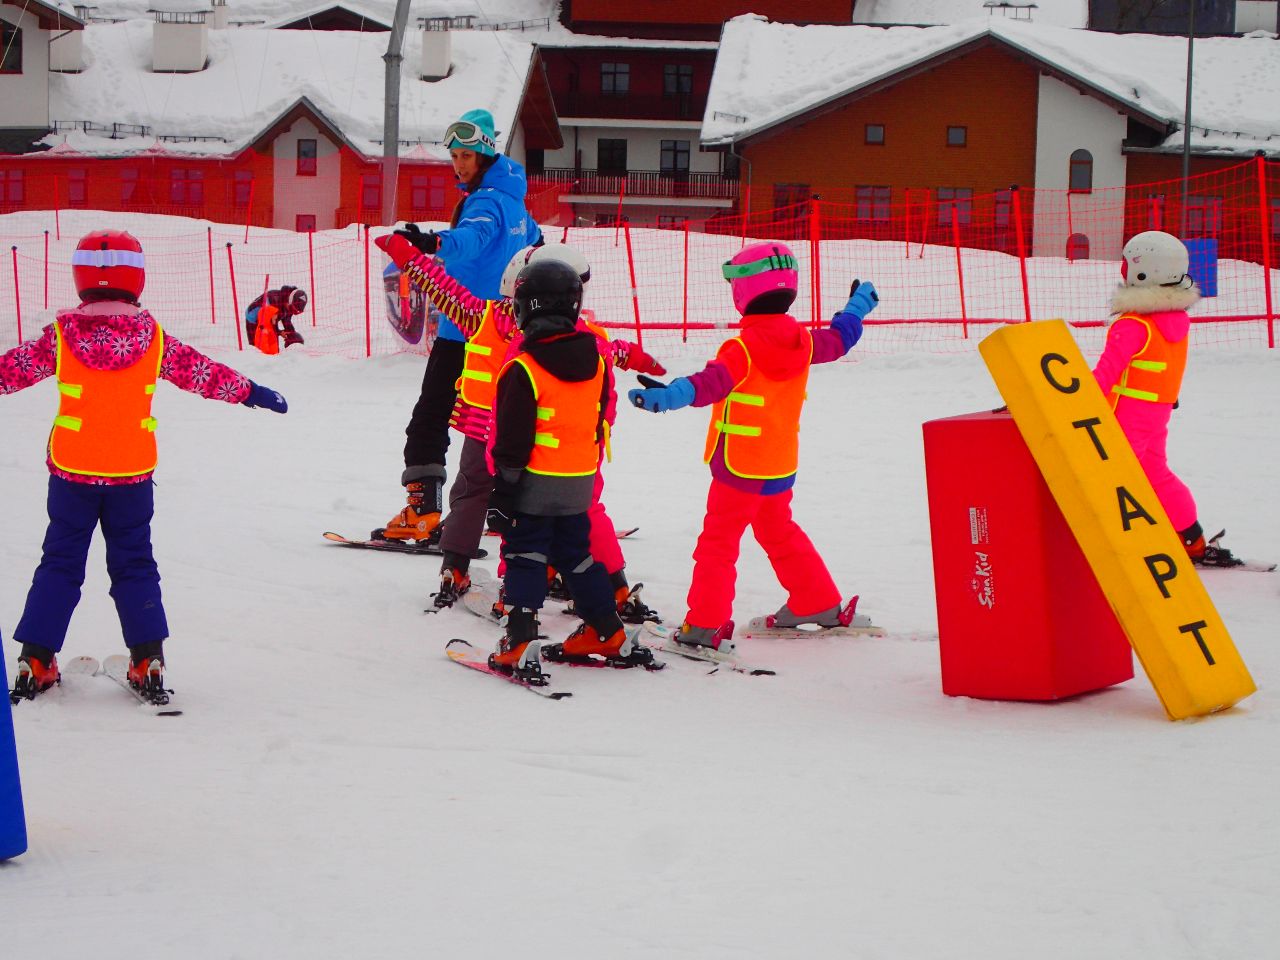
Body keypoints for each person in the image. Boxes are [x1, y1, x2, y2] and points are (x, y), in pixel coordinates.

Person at [1, 230, 289, 702]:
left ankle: (35, 658)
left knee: (59, 562)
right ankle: (146, 657)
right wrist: (251, 392)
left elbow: (10, 371)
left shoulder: (59, 337)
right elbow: (202, 373)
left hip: (72, 472)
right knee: (134, 563)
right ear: (137, 278)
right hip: (131, 474)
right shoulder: (152, 339)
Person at [373, 232, 666, 616]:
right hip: (557, 444)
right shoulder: (582, 336)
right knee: (574, 509)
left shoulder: (483, 316)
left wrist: (408, 257)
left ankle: (457, 570)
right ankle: (610, 585)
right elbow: (618, 351)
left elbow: (442, 288)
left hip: (486, 436)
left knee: (476, 495)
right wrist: (643, 361)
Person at [628, 241, 879, 652]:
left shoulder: (742, 348)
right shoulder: (803, 340)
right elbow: (840, 339)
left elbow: (710, 383)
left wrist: (668, 396)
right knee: (777, 529)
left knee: (718, 543)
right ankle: (817, 601)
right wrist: (856, 307)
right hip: (779, 464)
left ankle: (704, 626)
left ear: (744, 293)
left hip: (740, 467)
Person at [374, 108, 541, 544]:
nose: (459, 164)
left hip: (463, 332)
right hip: (507, 335)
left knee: (431, 418)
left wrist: (432, 243)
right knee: (504, 425)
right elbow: (537, 243)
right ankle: (527, 509)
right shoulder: (515, 202)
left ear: (486, 153)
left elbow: (473, 238)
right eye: (455, 155)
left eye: (467, 155)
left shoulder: (483, 202)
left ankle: (423, 511)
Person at [486, 260, 657, 684]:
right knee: (576, 556)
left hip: (534, 484)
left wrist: (502, 498)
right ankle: (607, 630)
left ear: (527, 307)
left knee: (524, 553)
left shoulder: (523, 368)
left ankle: (520, 641)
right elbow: (598, 418)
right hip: (579, 482)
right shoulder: (596, 361)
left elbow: (511, 444)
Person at [1091, 230, 1237, 566]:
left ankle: (1114, 547)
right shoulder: (1175, 320)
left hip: (1125, 416)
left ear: (1144, 272)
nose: (1123, 270)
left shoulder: (1133, 325)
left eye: (1126, 264)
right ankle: (1192, 539)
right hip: (1156, 414)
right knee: (1156, 472)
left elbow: (1103, 378)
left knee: (1114, 478)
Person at [245, 285, 307, 354]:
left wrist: (293, 336)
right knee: (258, 349)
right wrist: (279, 332)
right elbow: (270, 325)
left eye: (295, 312)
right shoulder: (274, 301)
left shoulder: (289, 305)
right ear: (289, 300)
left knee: (273, 348)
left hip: (270, 319)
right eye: (292, 309)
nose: (292, 312)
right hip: (253, 318)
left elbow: (287, 320)